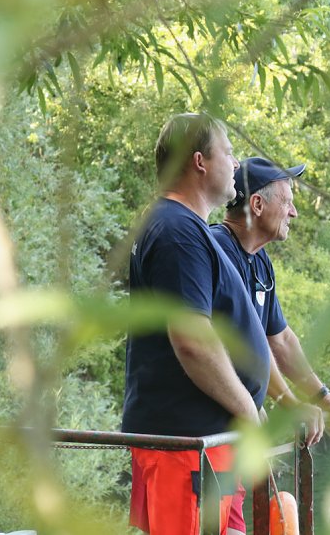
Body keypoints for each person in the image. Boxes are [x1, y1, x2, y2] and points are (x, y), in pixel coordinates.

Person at [122, 113, 271, 535]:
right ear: (201, 161)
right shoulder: (175, 231)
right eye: (229, 151)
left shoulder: (186, 228)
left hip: (208, 445)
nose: (236, 162)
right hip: (185, 446)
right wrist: (248, 409)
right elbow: (192, 340)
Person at [211, 157, 330, 433]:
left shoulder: (259, 260)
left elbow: (280, 339)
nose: (294, 213)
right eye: (286, 202)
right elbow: (245, 342)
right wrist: (290, 403)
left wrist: (324, 398)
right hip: (208, 427)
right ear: (257, 205)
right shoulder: (218, 250)